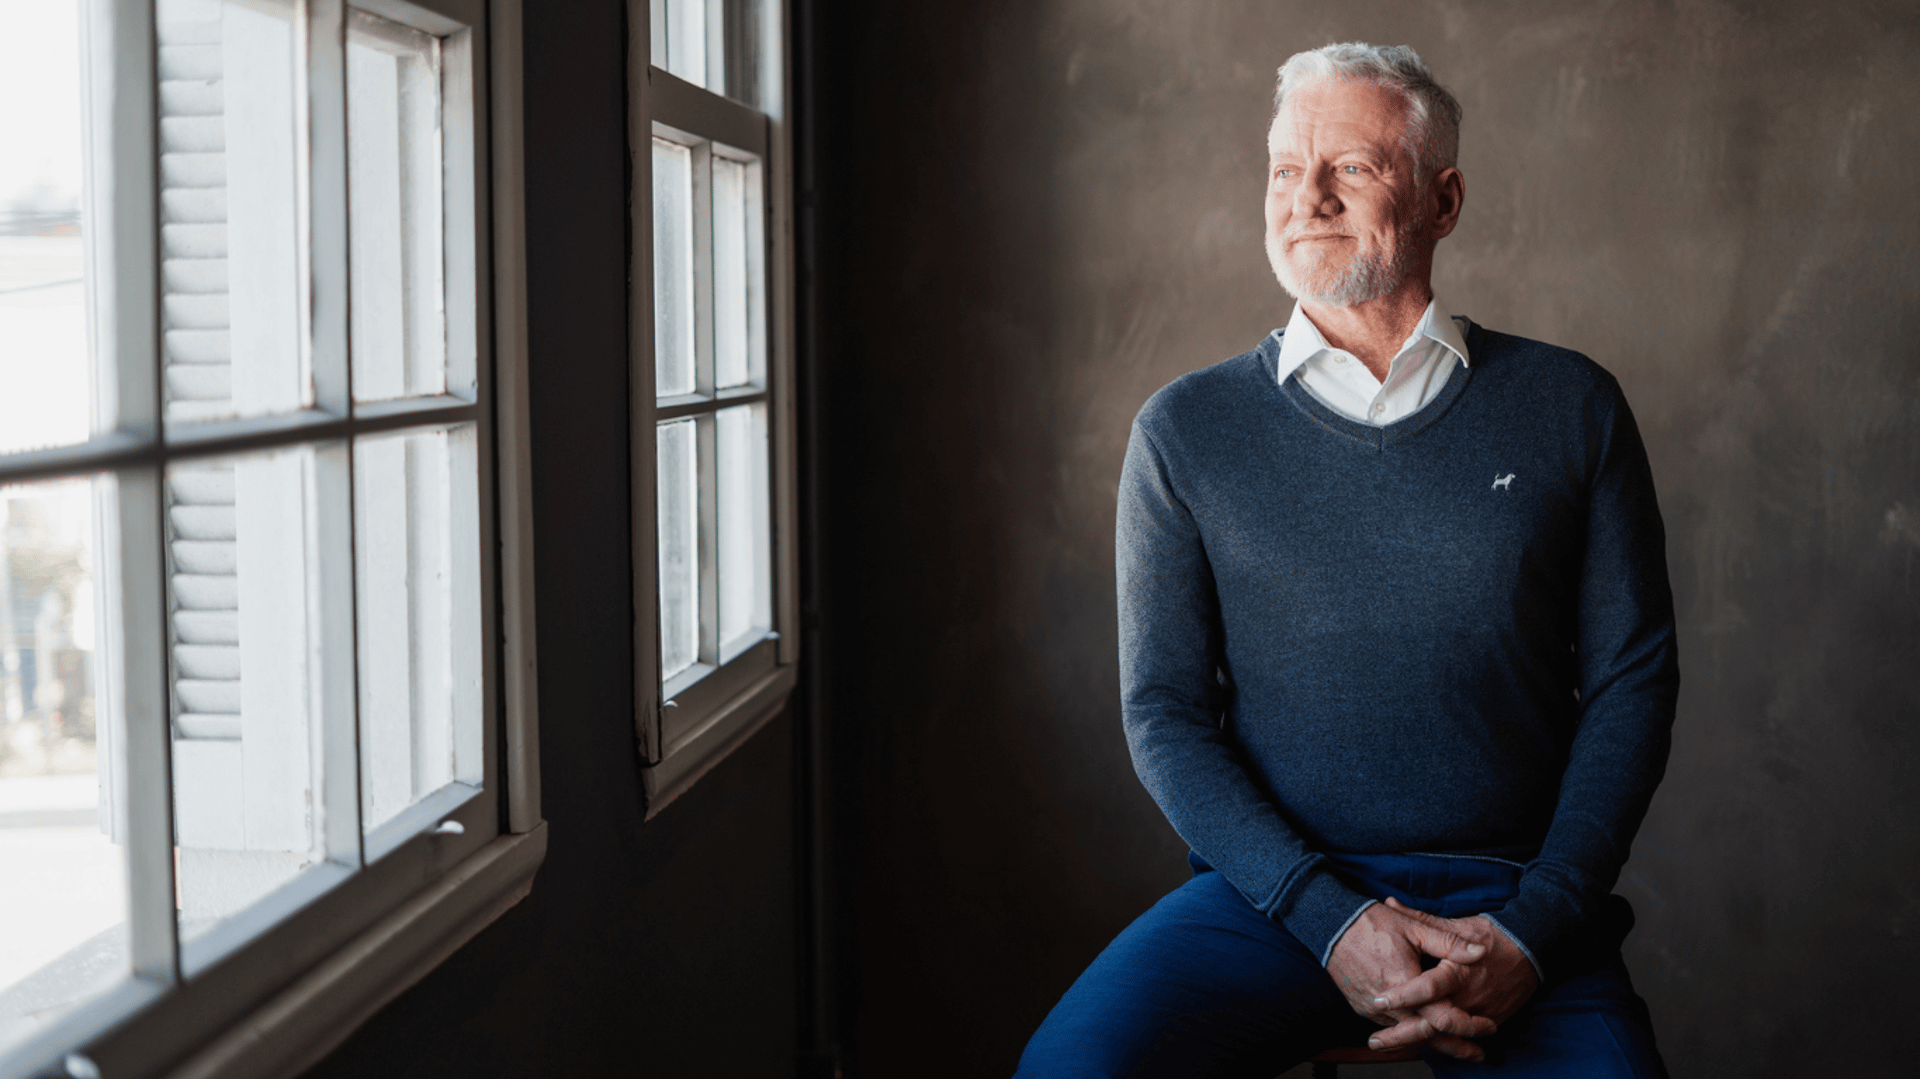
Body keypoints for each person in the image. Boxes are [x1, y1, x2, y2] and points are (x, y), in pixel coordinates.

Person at [1015, 42, 1678, 1078]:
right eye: (1285, 169)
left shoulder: (1570, 406)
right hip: (1276, 899)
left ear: (1443, 199)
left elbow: (1634, 682)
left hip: (1523, 904)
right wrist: (1330, 918)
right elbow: (1165, 714)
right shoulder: (1186, 430)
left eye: (1353, 168)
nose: (1307, 198)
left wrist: (1539, 929)